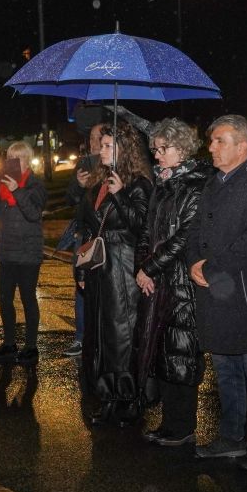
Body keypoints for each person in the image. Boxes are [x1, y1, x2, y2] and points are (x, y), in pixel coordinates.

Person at [189, 114, 247, 472]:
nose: (211, 147)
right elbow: (196, 228)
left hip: (246, 297)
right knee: (225, 369)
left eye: (219, 141)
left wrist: (210, 268)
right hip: (216, 294)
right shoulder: (213, 184)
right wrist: (194, 260)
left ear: (242, 146)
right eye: (211, 141)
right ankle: (230, 437)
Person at [134, 118, 210, 446]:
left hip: (182, 284)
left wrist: (149, 267)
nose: (157, 156)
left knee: (182, 354)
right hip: (158, 281)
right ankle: (169, 422)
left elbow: (184, 237)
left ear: (180, 148)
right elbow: (147, 231)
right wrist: (142, 266)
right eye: (154, 150)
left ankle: (182, 426)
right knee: (163, 352)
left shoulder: (196, 184)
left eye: (162, 149)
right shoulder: (163, 183)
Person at [76, 121, 152, 426]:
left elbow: (141, 226)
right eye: (102, 144)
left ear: (125, 149)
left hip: (122, 269)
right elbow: (87, 225)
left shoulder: (138, 184)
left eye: (108, 145)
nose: (101, 150)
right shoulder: (100, 181)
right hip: (99, 270)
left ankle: (128, 398)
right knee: (100, 334)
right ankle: (107, 397)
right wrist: (82, 269)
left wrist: (120, 195)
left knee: (122, 335)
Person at [0, 140, 48, 363]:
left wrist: (18, 191)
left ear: (27, 161)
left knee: (28, 299)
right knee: (4, 299)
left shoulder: (36, 186)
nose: (13, 162)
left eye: (18, 158)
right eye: (10, 158)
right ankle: (9, 344)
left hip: (28, 252)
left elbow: (34, 214)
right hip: (6, 252)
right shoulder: (0, 186)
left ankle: (31, 347)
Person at [61, 123, 109, 357]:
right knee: (81, 286)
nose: (92, 142)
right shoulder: (83, 164)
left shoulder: (114, 164)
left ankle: (103, 337)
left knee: (106, 288)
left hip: (106, 236)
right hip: (83, 235)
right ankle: (81, 338)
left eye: (96, 137)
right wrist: (79, 186)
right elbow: (70, 198)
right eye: (90, 138)